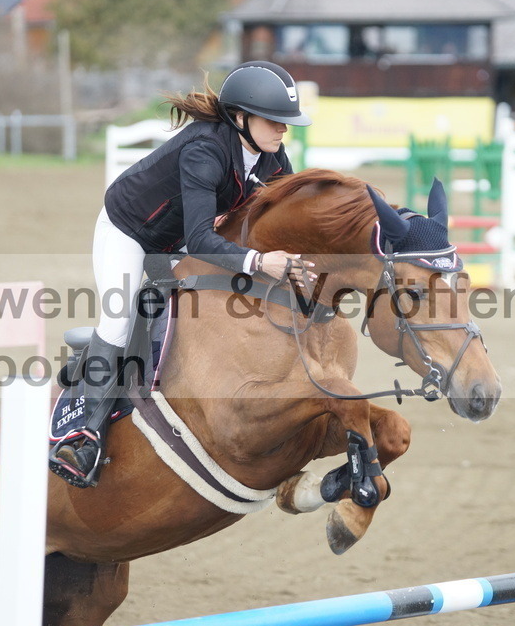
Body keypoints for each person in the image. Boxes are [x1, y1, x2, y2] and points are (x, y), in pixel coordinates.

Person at [50, 61, 316, 489]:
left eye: (287, 122)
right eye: (275, 120)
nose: (284, 130)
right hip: (129, 232)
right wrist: (257, 261)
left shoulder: (272, 157)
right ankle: (83, 437)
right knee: (119, 319)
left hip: (175, 243)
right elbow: (201, 236)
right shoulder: (204, 150)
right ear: (241, 118)